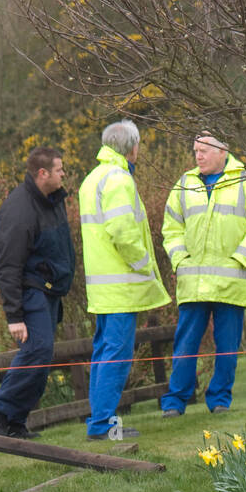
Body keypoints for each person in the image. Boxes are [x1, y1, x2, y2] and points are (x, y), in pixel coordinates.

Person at [160, 133, 246, 416]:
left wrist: (241, 259)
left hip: (231, 282)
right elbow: (171, 228)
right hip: (193, 281)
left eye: (204, 150)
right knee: (185, 345)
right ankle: (175, 402)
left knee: (227, 348)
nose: (198, 155)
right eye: (195, 150)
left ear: (223, 151)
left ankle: (220, 400)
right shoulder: (184, 183)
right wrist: (180, 260)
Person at [79, 120, 170, 439]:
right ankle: (103, 425)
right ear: (133, 147)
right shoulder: (118, 179)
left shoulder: (93, 178)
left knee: (104, 353)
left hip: (103, 288)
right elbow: (122, 232)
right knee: (116, 355)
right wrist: (144, 264)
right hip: (120, 286)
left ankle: (99, 421)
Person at [0, 146, 76, 439]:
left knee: (43, 355)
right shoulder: (20, 209)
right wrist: (15, 316)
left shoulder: (54, 200)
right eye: (60, 170)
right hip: (31, 290)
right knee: (37, 350)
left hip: (50, 292)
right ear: (43, 173)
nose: (64, 174)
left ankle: (15, 421)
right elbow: (8, 265)